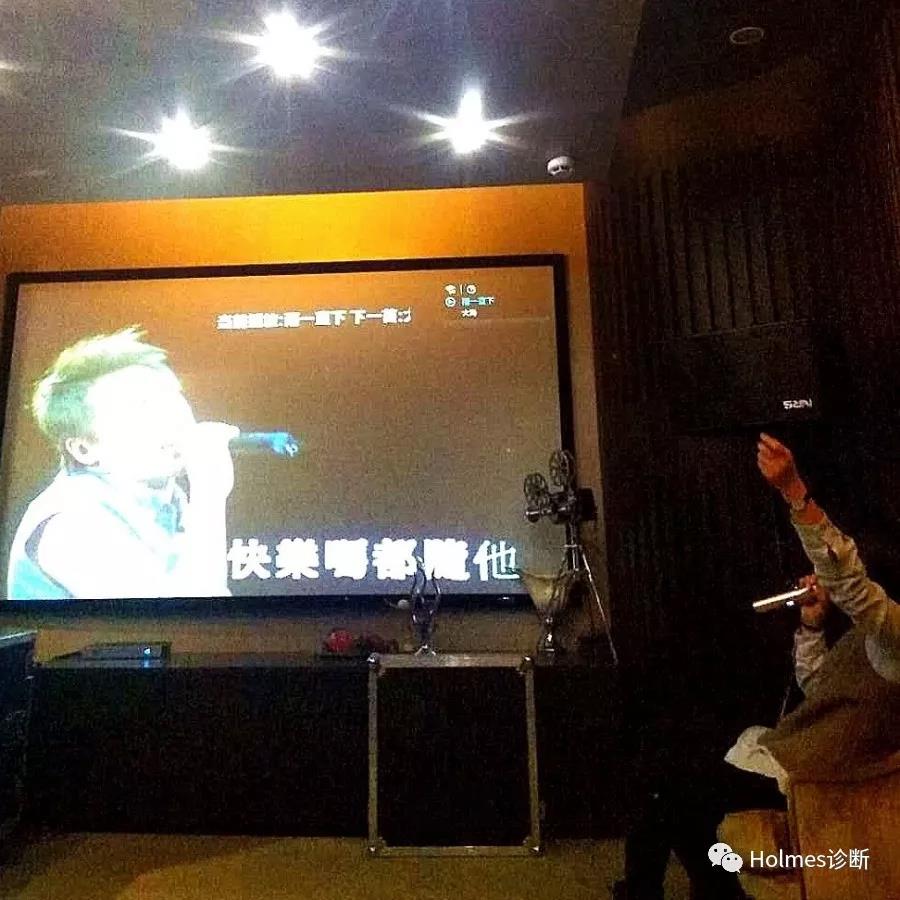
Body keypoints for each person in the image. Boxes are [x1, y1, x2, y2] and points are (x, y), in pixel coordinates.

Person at [6, 328, 237, 600]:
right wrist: (209, 491)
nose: (171, 415)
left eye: (172, 395)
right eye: (139, 406)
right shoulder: (71, 521)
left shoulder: (170, 501)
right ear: (84, 449)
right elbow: (191, 614)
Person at [726, 433, 900, 786]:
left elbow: (848, 582)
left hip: (814, 779)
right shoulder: (867, 633)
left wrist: (794, 490)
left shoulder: (890, 628)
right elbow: (821, 692)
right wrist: (812, 627)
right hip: (791, 759)